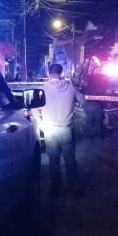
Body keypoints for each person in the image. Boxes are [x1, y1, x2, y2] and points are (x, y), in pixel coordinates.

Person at [40, 62, 85, 199]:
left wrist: (40, 122)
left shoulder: (42, 89)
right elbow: (83, 101)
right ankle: (75, 190)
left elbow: (35, 108)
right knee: (70, 161)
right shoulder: (70, 88)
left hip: (49, 129)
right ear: (61, 73)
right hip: (66, 129)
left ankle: (55, 190)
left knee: (53, 161)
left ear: (49, 73)